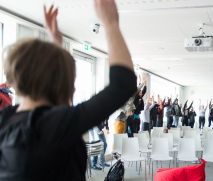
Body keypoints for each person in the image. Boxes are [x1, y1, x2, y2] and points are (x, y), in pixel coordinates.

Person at [0, 1, 137, 180]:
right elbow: (122, 85)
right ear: (61, 81)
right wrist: (111, 23)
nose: (73, 86)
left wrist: (55, 45)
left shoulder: (6, 119)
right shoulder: (57, 125)